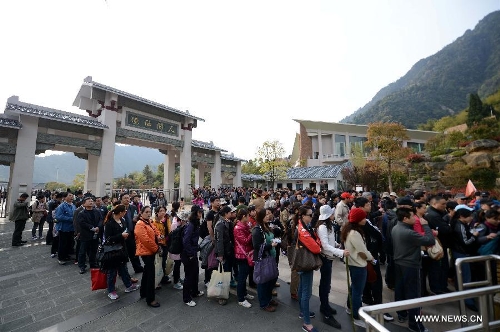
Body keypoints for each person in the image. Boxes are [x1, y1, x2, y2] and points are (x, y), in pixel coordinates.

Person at [392, 204, 435, 332]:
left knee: (400, 290)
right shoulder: (409, 232)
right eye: (412, 217)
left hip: (399, 262)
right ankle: (415, 324)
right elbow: (429, 240)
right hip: (410, 264)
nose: (415, 219)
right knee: (413, 294)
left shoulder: (396, 227)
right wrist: (425, 225)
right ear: (405, 218)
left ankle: (402, 314)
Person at [342, 207, 374, 329]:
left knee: (353, 288)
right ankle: (356, 316)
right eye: (363, 217)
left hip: (353, 263)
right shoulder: (355, 233)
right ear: (358, 219)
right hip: (358, 264)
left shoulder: (349, 229)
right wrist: (371, 258)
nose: (365, 219)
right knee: (357, 292)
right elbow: (362, 251)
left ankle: (350, 308)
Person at [316, 205, 346, 329]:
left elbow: (330, 242)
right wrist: (340, 252)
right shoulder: (322, 227)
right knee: (325, 284)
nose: (334, 215)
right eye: (332, 214)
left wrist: (338, 245)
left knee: (326, 284)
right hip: (325, 258)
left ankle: (325, 305)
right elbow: (325, 245)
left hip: (329, 257)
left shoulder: (329, 226)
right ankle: (326, 312)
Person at [102, 204, 140, 300]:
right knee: (112, 271)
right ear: (120, 212)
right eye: (124, 212)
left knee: (123, 268)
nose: (125, 213)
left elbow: (125, 230)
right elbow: (108, 238)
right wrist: (121, 236)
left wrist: (125, 235)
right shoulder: (109, 223)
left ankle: (128, 285)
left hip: (122, 249)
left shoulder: (122, 220)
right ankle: (111, 290)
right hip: (112, 251)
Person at [297, 205, 322, 332]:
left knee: (302, 289)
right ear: (303, 216)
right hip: (305, 263)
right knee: (306, 293)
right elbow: (316, 248)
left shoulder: (301, 226)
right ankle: (306, 323)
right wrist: (318, 242)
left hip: (301, 262)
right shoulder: (303, 230)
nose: (312, 217)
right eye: (310, 215)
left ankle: (303, 311)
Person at [252, 207, 279, 312]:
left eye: (269, 214)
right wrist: (270, 245)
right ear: (261, 217)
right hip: (263, 258)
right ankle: (263, 303)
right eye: (266, 215)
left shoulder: (267, 226)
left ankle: (268, 298)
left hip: (271, 256)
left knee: (271, 278)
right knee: (263, 281)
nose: (268, 216)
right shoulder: (257, 230)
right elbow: (257, 246)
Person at [134, 206, 161, 307]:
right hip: (146, 251)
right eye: (146, 212)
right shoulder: (139, 224)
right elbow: (146, 240)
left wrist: (159, 236)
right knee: (150, 275)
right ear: (141, 213)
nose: (149, 214)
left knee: (147, 272)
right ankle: (150, 299)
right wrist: (156, 248)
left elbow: (155, 230)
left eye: (150, 212)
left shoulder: (148, 221)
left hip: (150, 250)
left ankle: (144, 292)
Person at [181, 209, 205, 306]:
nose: (200, 214)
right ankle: (186, 298)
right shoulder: (191, 225)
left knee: (195, 273)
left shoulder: (195, 223)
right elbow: (186, 240)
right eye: (199, 212)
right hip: (188, 254)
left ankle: (194, 292)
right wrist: (190, 253)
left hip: (193, 252)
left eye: (201, 212)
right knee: (189, 276)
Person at [233, 208, 255, 308]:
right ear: (243, 217)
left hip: (247, 253)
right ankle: (241, 299)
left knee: (245, 274)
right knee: (242, 277)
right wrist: (252, 233)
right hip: (241, 254)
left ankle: (245, 293)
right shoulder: (238, 228)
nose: (249, 217)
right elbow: (245, 241)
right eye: (247, 216)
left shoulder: (245, 225)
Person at [214, 205, 235, 305]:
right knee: (223, 274)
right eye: (230, 212)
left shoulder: (227, 222)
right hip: (224, 253)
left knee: (227, 272)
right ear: (226, 213)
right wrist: (220, 254)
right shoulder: (220, 224)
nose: (232, 214)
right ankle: (221, 295)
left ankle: (226, 291)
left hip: (229, 251)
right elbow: (219, 241)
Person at [76, 196, 102, 274]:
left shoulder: (97, 211)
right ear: (84, 204)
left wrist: (98, 227)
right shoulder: (81, 213)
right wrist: (92, 228)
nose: (91, 202)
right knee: (82, 251)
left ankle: (93, 263)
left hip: (96, 234)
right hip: (86, 234)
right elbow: (82, 223)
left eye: (91, 201)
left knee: (94, 250)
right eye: (89, 201)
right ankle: (82, 266)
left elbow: (101, 219)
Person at [55, 192, 76, 265]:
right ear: (64, 197)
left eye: (72, 196)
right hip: (63, 228)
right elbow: (58, 216)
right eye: (70, 196)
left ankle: (66, 255)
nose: (71, 197)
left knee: (69, 243)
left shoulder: (73, 206)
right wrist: (71, 219)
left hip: (71, 228)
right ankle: (61, 258)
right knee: (62, 243)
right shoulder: (61, 206)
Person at [152, 206, 171, 286]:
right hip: (159, 245)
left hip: (165, 243)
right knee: (159, 262)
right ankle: (158, 278)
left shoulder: (166, 219)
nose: (163, 212)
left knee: (163, 261)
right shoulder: (154, 222)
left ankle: (162, 276)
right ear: (157, 212)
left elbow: (169, 231)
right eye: (161, 211)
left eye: (164, 210)